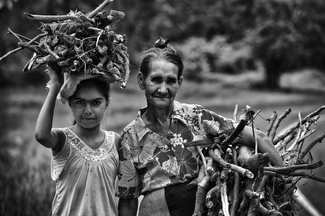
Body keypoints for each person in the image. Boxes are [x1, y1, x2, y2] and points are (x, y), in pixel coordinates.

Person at [116, 39, 285, 216]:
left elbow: (258, 137)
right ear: (141, 81)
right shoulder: (130, 137)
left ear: (179, 83)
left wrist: (287, 183)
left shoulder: (196, 117)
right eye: (156, 80)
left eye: (170, 81)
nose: (163, 89)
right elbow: (128, 201)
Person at [35, 66, 119, 216]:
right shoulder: (63, 140)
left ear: (106, 104)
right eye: (80, 102)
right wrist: (55, 86)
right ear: (70, 104)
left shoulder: (115, 142)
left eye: (96, 103)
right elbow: (41, 135)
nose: (88, 110)